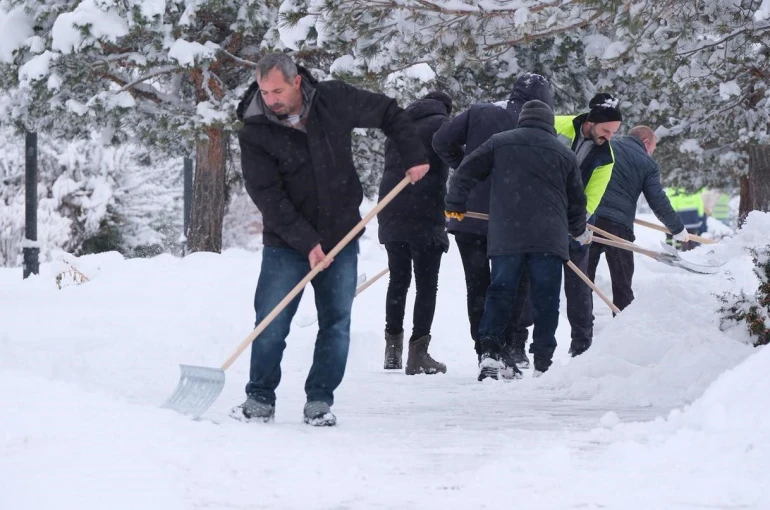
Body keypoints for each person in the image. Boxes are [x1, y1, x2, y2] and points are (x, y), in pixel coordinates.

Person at [232, 52, 429, 426]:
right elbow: (266, 194)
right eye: (264, 91)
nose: (271, 98)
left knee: (336, 323)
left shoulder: (334, 100)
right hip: (285, 243)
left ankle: (319, 400)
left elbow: (388, 112)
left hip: (341, 236)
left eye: (277, 90)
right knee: (271, 321)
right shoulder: (256, 130)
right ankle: (259, 397)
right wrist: (306, 241)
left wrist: (413, 154)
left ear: (296, 82)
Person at [445, 100, 589, 380]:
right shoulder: (564, 153)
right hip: (549, 237)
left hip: (508, 233)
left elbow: (465, 170)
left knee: (500, 292)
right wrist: (576, 229)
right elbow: (577, 202)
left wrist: (456, 203)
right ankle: (543, 361)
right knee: (545, 299)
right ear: (549, 124)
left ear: (522, 120)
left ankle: (489, 352)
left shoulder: (500, 142)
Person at [432, 73, 554, 371]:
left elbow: (441, 140)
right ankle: (509, 346)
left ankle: (484, 350)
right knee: (512, 284)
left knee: (477, 285)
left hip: (468, 214)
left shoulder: (479, 111)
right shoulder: (534, 125)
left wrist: (466, 167)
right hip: (511, 218)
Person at [378, 91, 452, 375]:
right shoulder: (444, 125)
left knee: (398, 281)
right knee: (426, 284)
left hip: (391, 209)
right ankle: (417, 354)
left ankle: (392, 351)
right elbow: (457, 159)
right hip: (425, 212)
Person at [588, 125, 689, 312]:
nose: (652, 152)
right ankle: (623, 326)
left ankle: (582, 332)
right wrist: (677, 228)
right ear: (646, 142)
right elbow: (657, 200)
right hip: (618, 226)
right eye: (654, 148)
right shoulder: (647, 163)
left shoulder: (608, 146)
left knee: (583, 280)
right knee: (622, 283)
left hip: (589, 219)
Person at [553, 93, 623, 357]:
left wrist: (576, 224)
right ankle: (520, 342)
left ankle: (582, 343)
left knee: (579, 281)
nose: (609, 137)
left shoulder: (607, 157)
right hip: (539, 212)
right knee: (535, 277)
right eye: (606, 130)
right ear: (591, 122)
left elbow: (591, 200)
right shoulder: (556, 125)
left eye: (614, 132)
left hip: (575, 220)